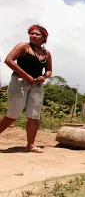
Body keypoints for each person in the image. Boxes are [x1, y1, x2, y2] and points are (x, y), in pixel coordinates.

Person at [0, 25, 53, 153]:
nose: (34, 36)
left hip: (36, 85)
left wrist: (43, 77)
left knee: (34, 115)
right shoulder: (24, 46)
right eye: (32, 33)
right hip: (19, 82)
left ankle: (30, 144)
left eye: (37, 34)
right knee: (14, 113)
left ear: (44, 37)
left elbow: (49, 70)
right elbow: (9, 60)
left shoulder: (46, 53)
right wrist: (26, 76)